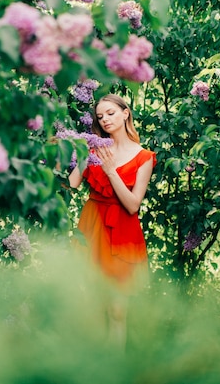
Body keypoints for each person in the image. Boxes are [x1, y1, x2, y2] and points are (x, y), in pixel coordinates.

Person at [68, 93, 156, 347]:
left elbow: (132, 204)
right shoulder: (95, 149)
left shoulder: (144, 157)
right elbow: (72, 185)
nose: (105, 120)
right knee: (87, 300)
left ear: (125, 113)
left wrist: (110, 171)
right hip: (91, 225)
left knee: (117, 309)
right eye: (100, 116)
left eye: (110, 113)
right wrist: (79, 152)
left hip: (122, 231)